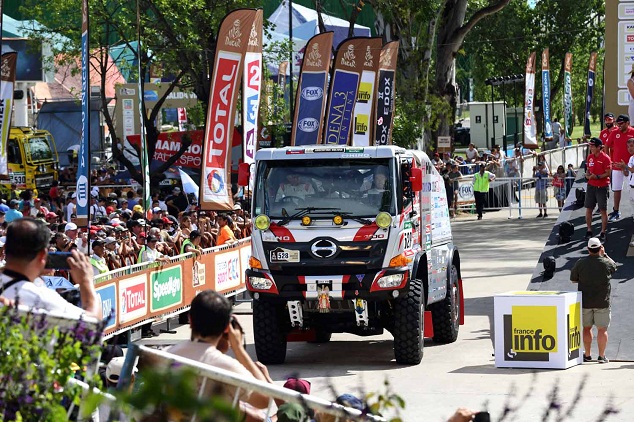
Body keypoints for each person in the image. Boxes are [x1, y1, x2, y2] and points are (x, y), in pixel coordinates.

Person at [166, 290, 275, 416]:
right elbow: (264, 399)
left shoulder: (164, 355)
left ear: (190, 320)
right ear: (227, 328)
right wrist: (238, 348)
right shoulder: (226, 367)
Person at [0, 218, 102, 320]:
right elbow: (93, 323)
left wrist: (37, 273)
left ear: (4, 249)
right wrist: (86, 282)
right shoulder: (41, 296)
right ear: (43, 255)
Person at [570, 237, 617, 363]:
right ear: (600, 248)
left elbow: (573, 279)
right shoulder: (606, 263)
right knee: (602, 329)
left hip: (585, 302)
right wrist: (605, 254)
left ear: (588, 249)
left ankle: (588, 354)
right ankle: (601, 356)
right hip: (602, 302)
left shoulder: (580, 263)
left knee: (586, 328)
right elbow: (615, 267)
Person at [605, 114, 634, 221]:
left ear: (628, 123)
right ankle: (616, 211)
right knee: (617, 189)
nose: (619, 126)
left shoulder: (633, 132)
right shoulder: (614, 132)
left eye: (621, 124)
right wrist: (608, 159)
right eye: (618, 123)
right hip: (617, 166)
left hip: (630, 167)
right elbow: (607, 145)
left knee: (632, 189)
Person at [584, 137, 611, 241]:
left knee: (603, 210)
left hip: (602, 186)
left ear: (599, 147)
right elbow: (588, 171)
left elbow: (608, 173)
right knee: (589, 208)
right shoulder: (590, 157)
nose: (591, 148)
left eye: (592, 146)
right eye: (590, 145)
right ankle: (589, 230)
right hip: (591, 185)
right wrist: (587, 175)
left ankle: (603, 231)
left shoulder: (606, 158)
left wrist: (597, 177)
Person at [622, 137, 634, 247]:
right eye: (628, 146)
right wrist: (623, 169)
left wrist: (625, 166)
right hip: (631, 188)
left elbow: (633, 169)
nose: (629, 148)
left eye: (631, 146)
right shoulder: (631, 158)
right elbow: (629, 172)